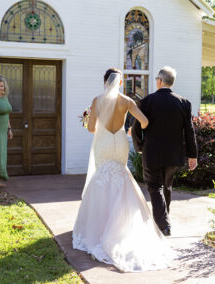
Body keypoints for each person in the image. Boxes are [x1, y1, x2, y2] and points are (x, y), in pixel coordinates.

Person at [72, 68, 174, 272]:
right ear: (119, 83)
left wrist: (92, 121)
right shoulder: (127, 101)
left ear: (104, 82)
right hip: (119, 141)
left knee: (102, 177)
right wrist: (129, 128)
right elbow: (145, 121)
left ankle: (100, 226)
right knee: (120, 175)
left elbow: (92, 129)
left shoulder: (97, 101)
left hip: (103, 143)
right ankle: (121, 226)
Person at [132, 66, 198, 237]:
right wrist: (193, 155)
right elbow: (189, 131)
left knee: (155, 188)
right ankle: (163, 220)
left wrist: (139, 147)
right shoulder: (184, 102)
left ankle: (163, 226)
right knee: (166, 187)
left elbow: (136, 127)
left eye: (156, 80)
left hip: (152, 153)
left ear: (160, 81)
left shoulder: (147, 101)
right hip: (173, 155)